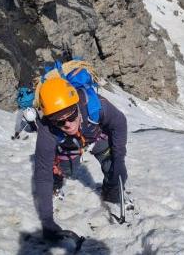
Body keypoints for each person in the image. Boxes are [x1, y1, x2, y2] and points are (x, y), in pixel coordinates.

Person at [32, 77, 128, 241]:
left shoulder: (96, 106)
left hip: (95, 138)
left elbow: (119, 123)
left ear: (77, 105)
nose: (68, 124)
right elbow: (42, 174)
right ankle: (57, 180)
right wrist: (47, 220)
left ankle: (111, 193)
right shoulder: (47, 131)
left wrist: (119, 159)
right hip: (68, 146)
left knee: (117, 171)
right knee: (66, 171)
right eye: (60, 122)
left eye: (71, 116)